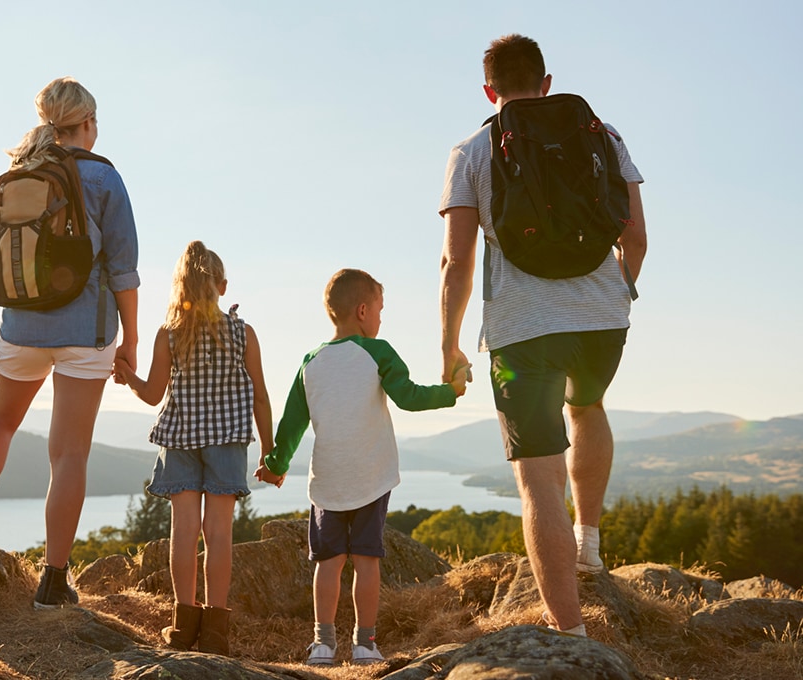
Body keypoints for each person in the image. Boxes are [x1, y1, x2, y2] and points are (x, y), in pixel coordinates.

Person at [437, 34, 648, 637]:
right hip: (605, 321)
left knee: (537, 477)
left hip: (522, 329)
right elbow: (635, 238)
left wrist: (450, 343)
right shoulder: (603, 136)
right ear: (547, 82)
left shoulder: (473, 150)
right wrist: (618, 292)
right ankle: (589, 542)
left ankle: (572, 636)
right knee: (588, 407)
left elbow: (457, 262)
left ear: (489, 89)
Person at [0, 77, 141, 609]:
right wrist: (129, 341)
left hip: (20, 326)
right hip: (86, 331)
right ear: (88, 124)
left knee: (1, 421)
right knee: (69, 453)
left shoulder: (22, 171)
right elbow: (123, 271)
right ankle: (53, 581)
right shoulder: (104, 177)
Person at [256, 269, 465, 666]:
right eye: (381, 310)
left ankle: (322, 645)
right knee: (367, 562)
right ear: (364, 310)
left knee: (328, 564)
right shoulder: (378, 351)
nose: (381, 319)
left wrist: (276, 466)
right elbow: (409, 397)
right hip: (371, 476)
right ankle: (365, 644)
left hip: (328, 481)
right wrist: (450, 393)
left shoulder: (310, 362)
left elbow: (291, 424)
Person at [113, 241, 274, 656]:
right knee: (218, 534)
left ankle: (183, 626)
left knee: (183, 532)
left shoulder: (169, 333)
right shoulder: (243, 332)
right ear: (221, 285)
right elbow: (259, 396)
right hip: (228, 440)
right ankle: (217, 630)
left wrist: (127, 376)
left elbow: (151, 395)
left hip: (180, 437)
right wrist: (270, 452)